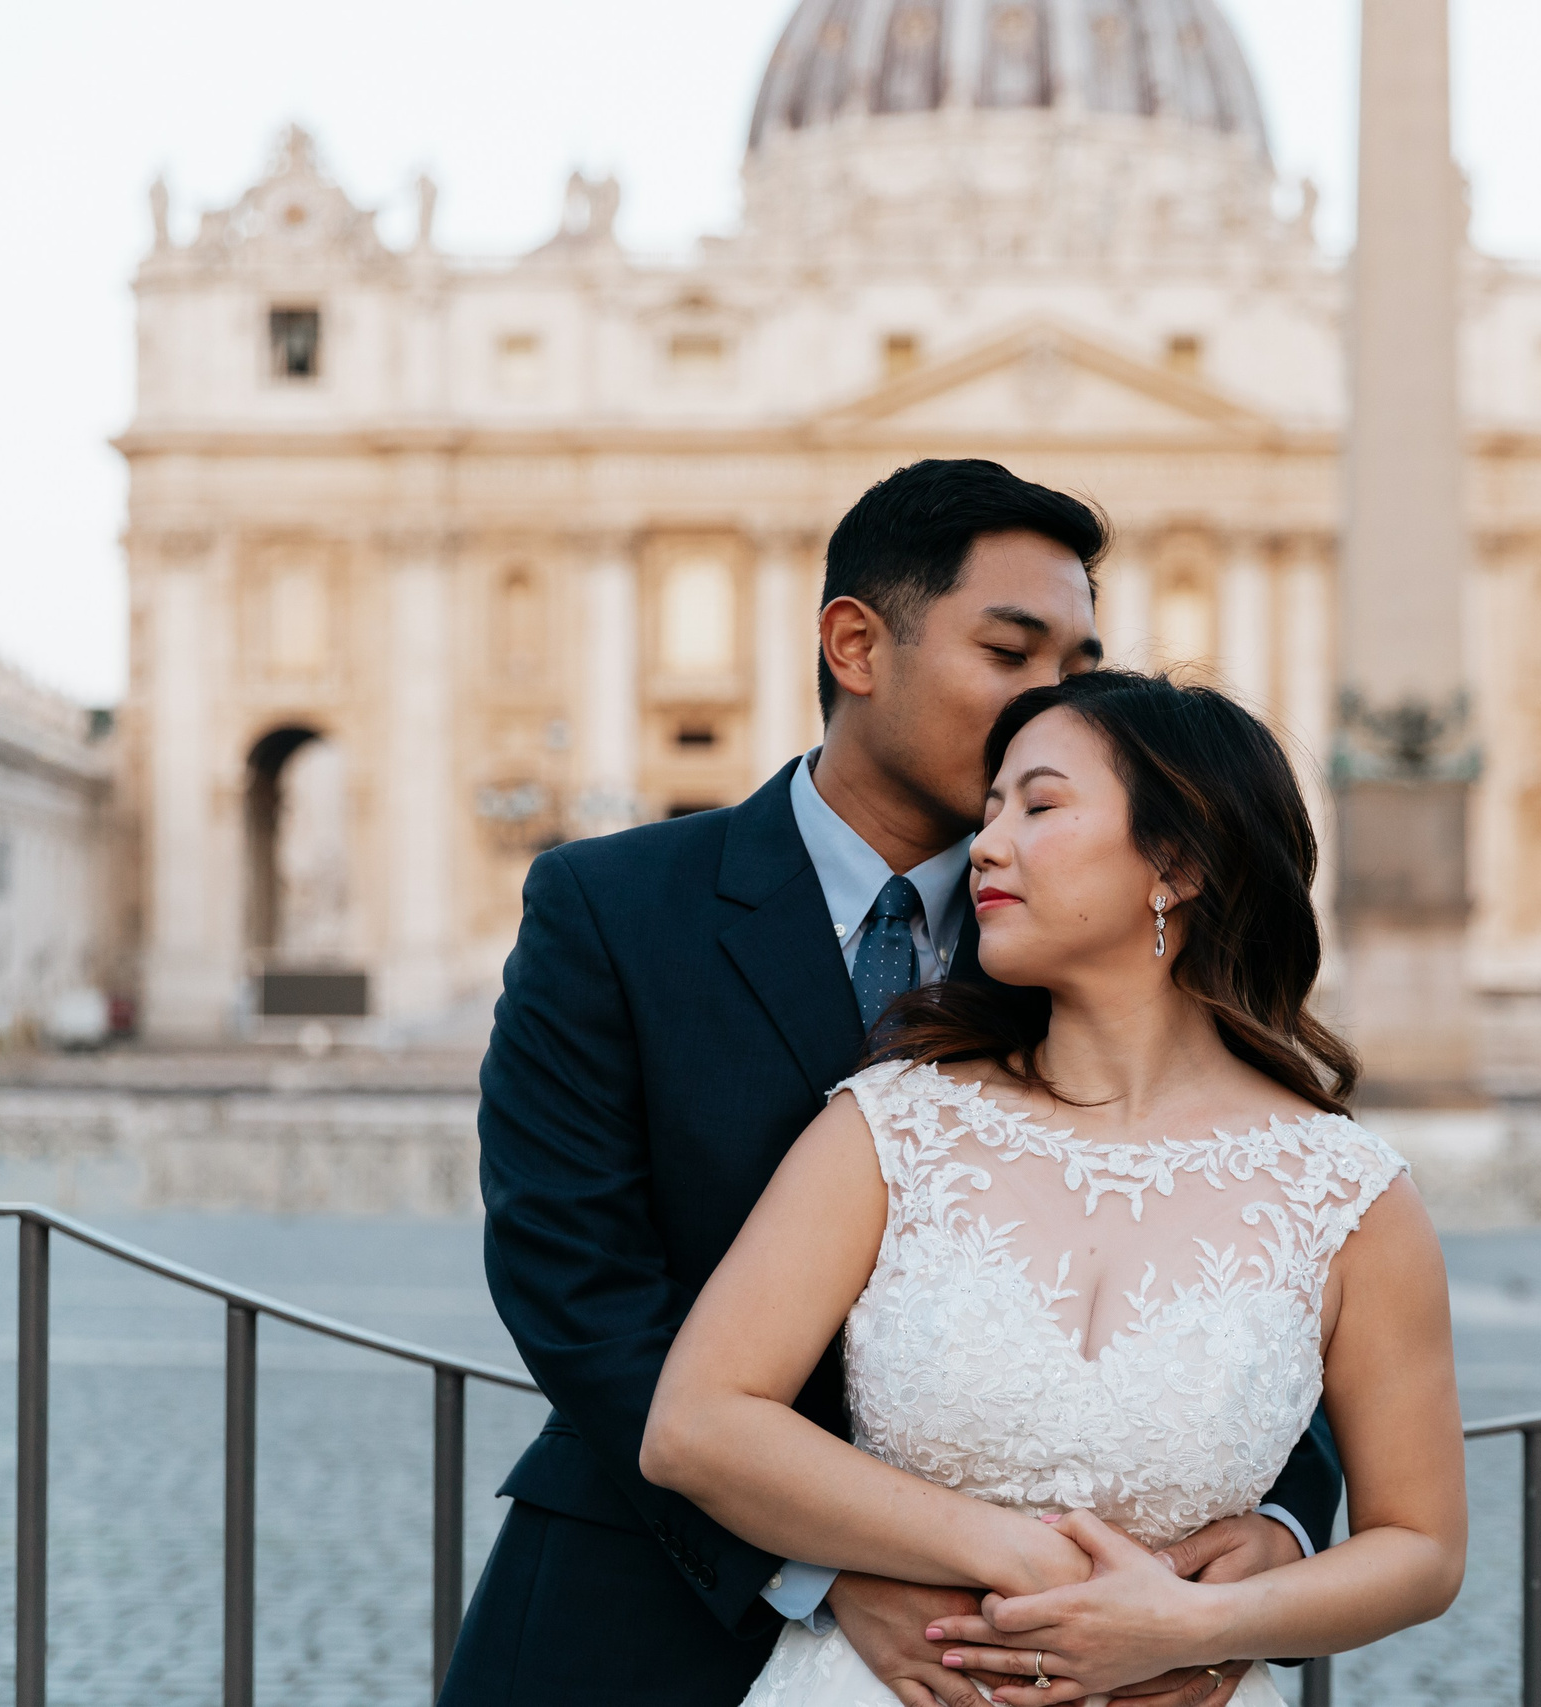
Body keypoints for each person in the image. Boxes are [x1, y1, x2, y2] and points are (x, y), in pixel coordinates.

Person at [439, 461, 1346, 1707]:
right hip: (647, 1598)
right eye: (1010, 653)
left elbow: (1255, 1231)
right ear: (856, 647)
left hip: (1061, 1637)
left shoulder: (1092, 933)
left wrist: (1282, 1526)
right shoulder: (610, 905)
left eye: (1078, 667)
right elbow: (572, 1278)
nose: (1053, 703)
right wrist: (818, 1560)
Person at [643, 671, 1469, 1707]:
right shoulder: (891, 1125)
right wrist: (1013, 1554)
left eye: (1037, 806)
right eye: (989, 811)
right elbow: (698, 1424)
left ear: (1177, 862)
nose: (985, 845)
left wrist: (1197, 1624)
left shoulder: (1349, 1194)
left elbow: (1422, 1546)